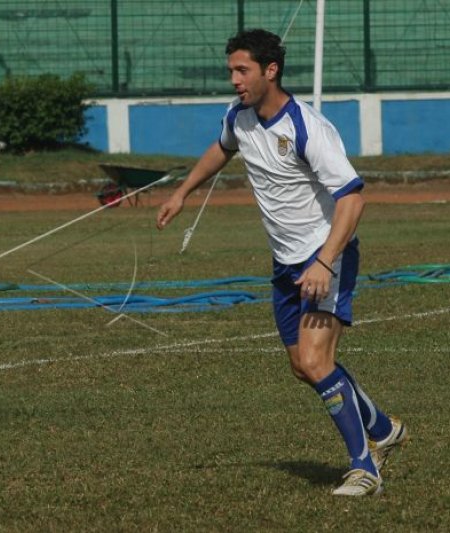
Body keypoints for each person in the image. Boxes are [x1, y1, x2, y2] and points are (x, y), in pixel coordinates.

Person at [156, 29, 406, 496]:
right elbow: (221, 148)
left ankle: (364, 469)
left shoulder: (307, 127)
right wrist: (181, 192)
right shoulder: (239, 117)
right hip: (285, 262)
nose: (233, 79)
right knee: (303, 366)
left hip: (324, 256)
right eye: (231, 70)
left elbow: (353, 199)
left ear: (270, 71)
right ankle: (382, 429)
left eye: (242, 70)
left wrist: (325, 262)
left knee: (315, 361)